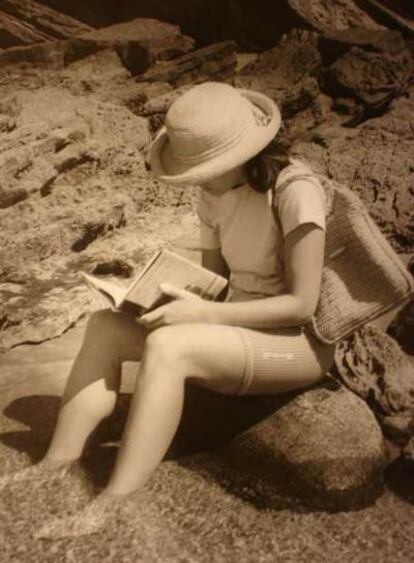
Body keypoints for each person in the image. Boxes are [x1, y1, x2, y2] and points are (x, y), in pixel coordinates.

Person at [1, 82, 336, 537]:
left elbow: (302, 305)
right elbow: (218, 283)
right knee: (105, 326)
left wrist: (201, 315)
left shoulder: (297, 191)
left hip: (297, 344)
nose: (195, 175)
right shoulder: (214, 193)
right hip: (236, 322)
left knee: (169, 346)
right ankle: (57, 462)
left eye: (201, 165)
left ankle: (116, 501)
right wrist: (157, 297)